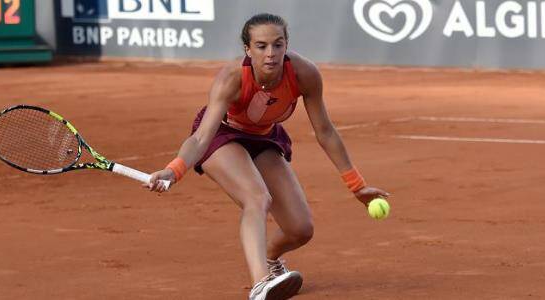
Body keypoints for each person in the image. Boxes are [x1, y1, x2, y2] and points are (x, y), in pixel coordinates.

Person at [145, 13, 389, 300]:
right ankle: (260, 283)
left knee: (300, 229)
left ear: (286, 45)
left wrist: (356, 185)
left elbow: (325, 131)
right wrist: (174, 169)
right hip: (222, 135)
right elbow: (200, 138)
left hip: (264, 137)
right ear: (248, 49)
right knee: (257, 198)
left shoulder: (304, 74)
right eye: (261, 46)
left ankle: (271, 261)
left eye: (278, 44)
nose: (271, 53)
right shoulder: (232, 78)